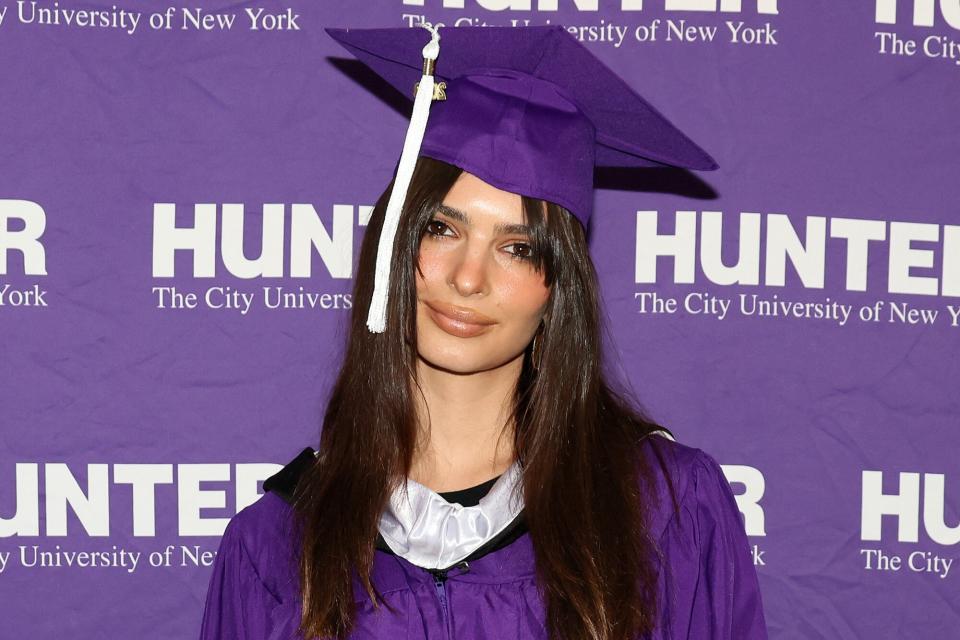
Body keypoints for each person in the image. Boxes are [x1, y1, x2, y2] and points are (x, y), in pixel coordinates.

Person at [199, 24, 768, 640]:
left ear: (558, 287)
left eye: (518, 247)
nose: (469, 278)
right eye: (442, 230)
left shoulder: (664, 509)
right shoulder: (277, 547)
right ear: (393, 242)